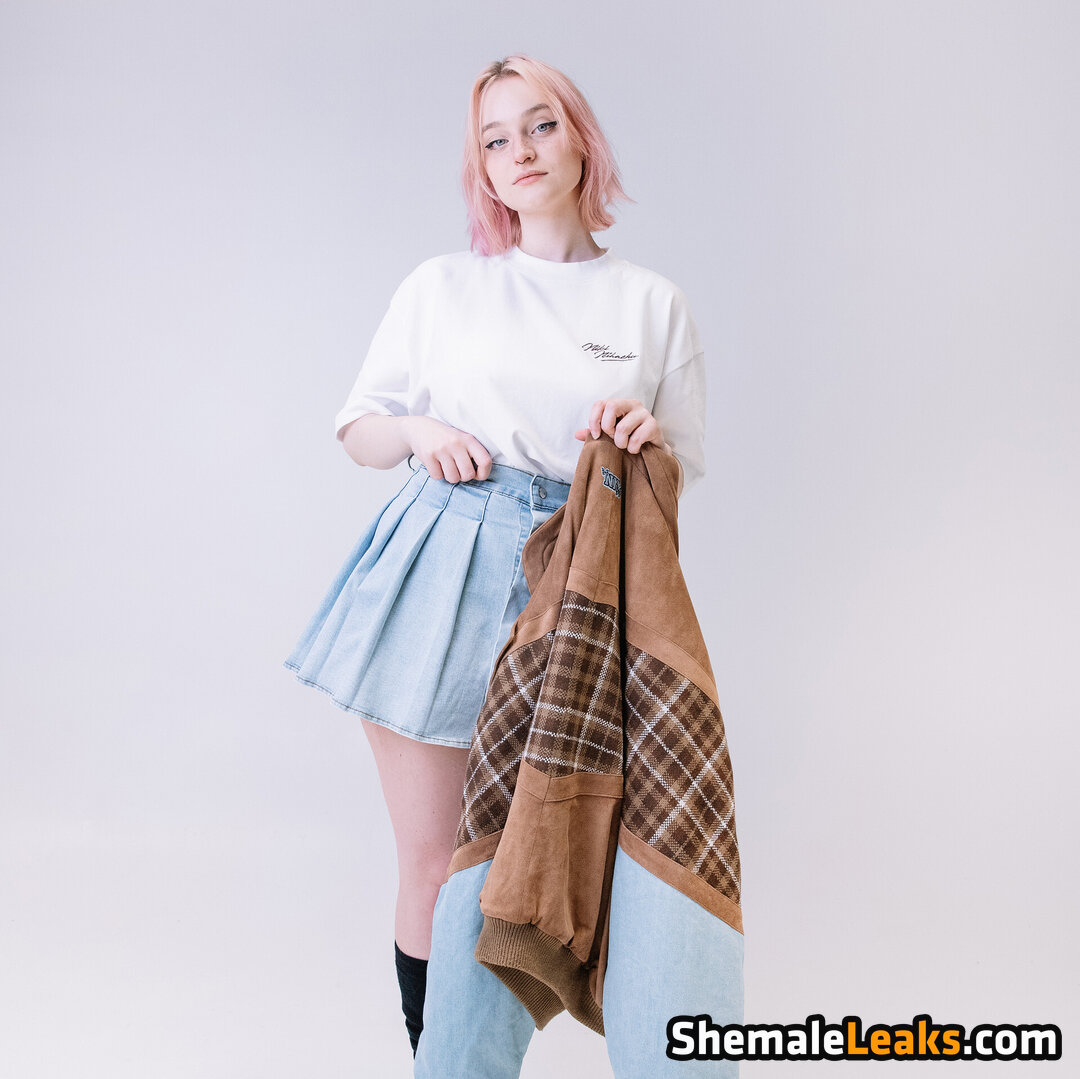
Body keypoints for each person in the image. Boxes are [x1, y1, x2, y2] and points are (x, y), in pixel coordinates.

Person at [284, 54, 711, 1063]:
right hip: (442, 560)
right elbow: (359, 427)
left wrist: (645, 437)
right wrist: (419, 430)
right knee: (439, 864)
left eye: (541, 125)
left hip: (578, 577)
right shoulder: (444, 286)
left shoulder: (650, 302)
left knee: (555, 861)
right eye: (495, 139)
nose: (520, 151)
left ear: (581, 140)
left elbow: (681, 469)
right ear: (480, 168)